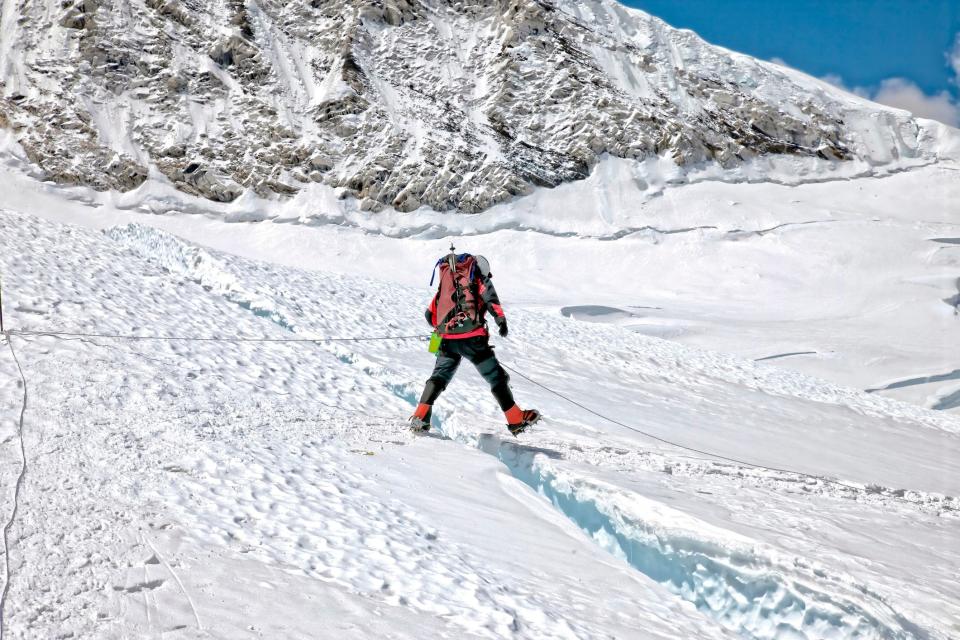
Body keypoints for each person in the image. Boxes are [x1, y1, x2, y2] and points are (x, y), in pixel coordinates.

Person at [410, 248, 540, 435]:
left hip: (446, 340)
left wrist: (446, 329)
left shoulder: (447, 286)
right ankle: (516, 419)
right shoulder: (478, 278)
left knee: (439, 377)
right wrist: (500, 320)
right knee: (497, 377)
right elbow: (490, 298)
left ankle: (420, 417)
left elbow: (429, 315)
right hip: (473, 340)